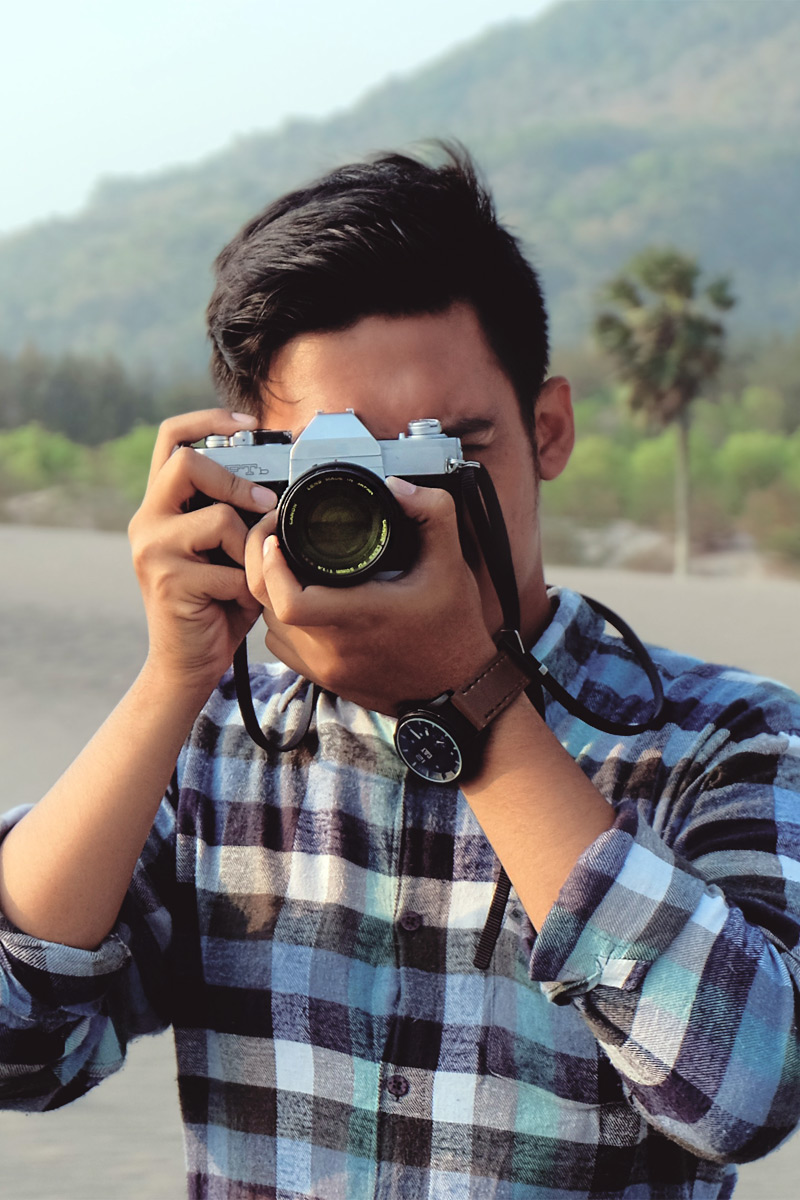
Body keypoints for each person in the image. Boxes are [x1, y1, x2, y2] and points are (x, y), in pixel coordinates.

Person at [1, 145, 799, 1200]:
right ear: (253, 476)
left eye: (443, 452)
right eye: (341, 472)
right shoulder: (217, 749)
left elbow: (746, 1093)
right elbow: (17, 1045)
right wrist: (171, 679)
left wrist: (473, 703)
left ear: (547, 429)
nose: (399, 509)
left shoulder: (725, 739)